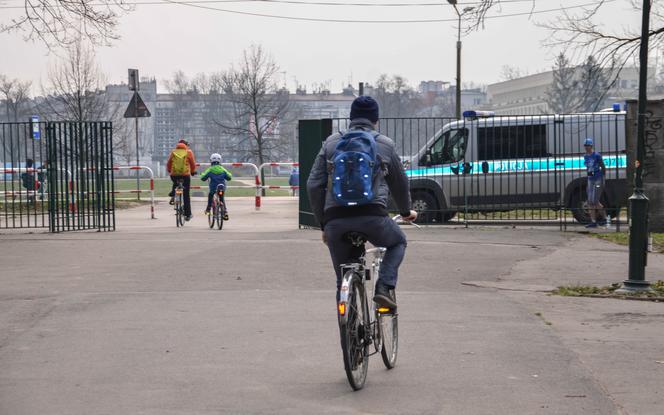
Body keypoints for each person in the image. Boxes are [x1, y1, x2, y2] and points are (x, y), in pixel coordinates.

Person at [307, 96, 417, 308]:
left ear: (351, 118)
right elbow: (400, 182)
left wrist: (323, 224)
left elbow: (313, 185)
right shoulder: (384, 144)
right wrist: (405, 211)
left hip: (335, 220)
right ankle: (384, 287)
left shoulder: (330, 143)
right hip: (372, 217)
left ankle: (349, 334)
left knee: (342, 281)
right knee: (397, 242)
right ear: (375, 119)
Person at [167, 139, 197, 221]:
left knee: (176, 183)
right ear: (186, 145)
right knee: (186, 195)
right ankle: (188, 215)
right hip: (185, 175)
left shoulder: (173, 152)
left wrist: (170, 171)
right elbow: (192, 163)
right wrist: (193, 171)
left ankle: (174, 193)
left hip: (174, 175)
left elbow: (169, 163)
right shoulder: (189, 152)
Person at [583, 137, 607, 228]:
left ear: (591, 146)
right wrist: (589, 177)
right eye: (585, 145)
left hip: (598, 179)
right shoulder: (585, 156)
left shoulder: (597, 155)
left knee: (594, 201)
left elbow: (603, 167)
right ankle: (594, 221)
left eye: (588, 145)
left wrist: (603, 178)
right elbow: (588, 168)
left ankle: (604, 219)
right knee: (590, 201)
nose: (586, 147)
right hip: (590, 179)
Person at [200, 153, 232, 219]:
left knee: (210, 195)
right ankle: (225, 212)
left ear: (211, 160)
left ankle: (208, 209)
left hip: (213, 188)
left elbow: (203, 178)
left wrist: (202, 175)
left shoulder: (210, 169)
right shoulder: (223, 169)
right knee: (221, 198)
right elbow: (229, 177)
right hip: (222, 187)